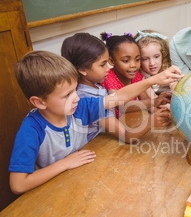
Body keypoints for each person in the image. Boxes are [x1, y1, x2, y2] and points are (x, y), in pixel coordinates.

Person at [8, 51, 182, 194]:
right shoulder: (31, 130)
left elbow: (118, 97)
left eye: (74, 90)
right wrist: (65, 163)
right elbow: (18, 185)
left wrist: (153, 80)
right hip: (48, 194)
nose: (76, 97)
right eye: (66, 95)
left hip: (79, 183)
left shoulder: (80, 107)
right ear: (39, 102)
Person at [61, 32, 172, 143]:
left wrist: (155, 100)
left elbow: (120, 98)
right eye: (102, 64)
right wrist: (150, 122)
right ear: (83, 70)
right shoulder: (87, 98)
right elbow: (126, 136)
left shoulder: (95, 88)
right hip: (93, 148)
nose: (107, 69)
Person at [100, 32, 172, 118]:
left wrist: (161, 112)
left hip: (132, 117)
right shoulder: (108, 77)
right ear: (111, 61)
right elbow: (122, 107)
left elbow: (145, 101)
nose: (133, 65)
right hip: (115, 123)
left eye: (137, 59)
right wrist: (154, 101)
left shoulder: (136, 74)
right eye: (126, 61)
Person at [133, 30, 174, 98]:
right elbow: (154, 98)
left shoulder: (167, 68)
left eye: (156, 57)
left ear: (163, 54)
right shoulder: (141, 75)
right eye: (145, 59)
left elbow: (175, 88)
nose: (152, 63)